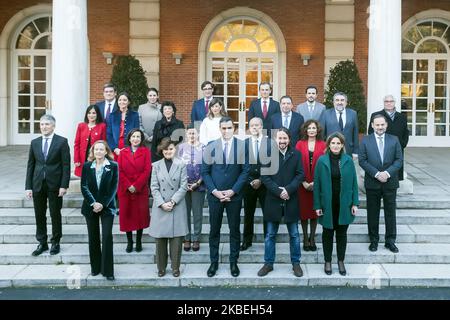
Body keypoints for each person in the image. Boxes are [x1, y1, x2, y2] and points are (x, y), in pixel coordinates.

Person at [201, 116, 250, 277]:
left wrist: (233, 191)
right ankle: (213, 262)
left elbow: (245, 171)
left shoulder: (242, 146)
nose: (226, 131)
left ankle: (233, 262)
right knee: (214, 230)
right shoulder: (210, 146)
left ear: (234, 128)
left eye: (229, 128)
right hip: (215, 196)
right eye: (224, 128)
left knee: (234, 230)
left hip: (234, 197)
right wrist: (214, 191)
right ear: (220, 129)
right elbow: (205, 172)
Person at [257, 128, 304, 277]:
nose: (282, 141)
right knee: (270, 234)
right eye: (280, 138)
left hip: (291, 198)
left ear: (289, 139)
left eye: (285, 138)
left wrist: (288, 190)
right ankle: (268, 264)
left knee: (295, 234)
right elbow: (264, 177)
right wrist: (279, 191)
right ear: (275, 140)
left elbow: (300, 174)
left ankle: (296, 263)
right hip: (273, 199)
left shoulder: (296, 154)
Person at [313, 132, 359, 276]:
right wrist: (317, 205)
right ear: (328, 145)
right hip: (327, 203)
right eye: (333, 143)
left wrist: (355, 203)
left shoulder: (348, 160)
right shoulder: (321, 161)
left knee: (341, 234)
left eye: (338, 143)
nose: (335, 145)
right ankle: (327, 261)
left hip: (344, 203)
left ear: (342, 145)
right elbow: (317, 185)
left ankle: (340, 261)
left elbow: (354, 183)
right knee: (327, 233)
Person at [25, 114, 71, 256]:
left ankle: (55, 242)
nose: (44, 127)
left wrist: (64, 185)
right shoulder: (35, 142)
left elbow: (66, 165)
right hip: (38, 184)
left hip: (55, 185)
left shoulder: (62, 142)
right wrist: (28, 187)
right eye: (42, 124)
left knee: (55, 214)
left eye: (47, 124)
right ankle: (42, 243)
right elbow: (30, 166)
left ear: (53, 126)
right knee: (39, 215)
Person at [359, 114, 403, 253]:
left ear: (386, 125)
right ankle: (374, 240)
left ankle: (390, 241)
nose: (380, 127)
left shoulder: (394, 140)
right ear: (372, 125)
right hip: (373, 182)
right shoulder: (365, 141)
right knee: (373, 213)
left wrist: (387, 173)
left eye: (382, 124)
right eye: (377, 125)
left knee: (390, 213)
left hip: (390, 182)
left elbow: (398, 160)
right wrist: (377, 174)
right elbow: (362, 160)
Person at [148, 138, 188, 277]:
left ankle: (175, 267)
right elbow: (154, 187)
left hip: (176, 206)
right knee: (160, 241)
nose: (168, 151)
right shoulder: (156, 166)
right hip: (160, 206)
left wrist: (172, 201)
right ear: (161, 151)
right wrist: (162, 203)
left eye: (171, 149)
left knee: (177, 240)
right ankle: (161, 267)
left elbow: (184, 186)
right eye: (166, 149)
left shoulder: (182, 165)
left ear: (174, 149)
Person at [80, 140, 118, 281]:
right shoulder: (87, 166)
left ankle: (108, 271)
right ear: (93, 151)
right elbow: (83, 186)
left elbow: (114, 187)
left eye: (101, 149)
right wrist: (93, 203)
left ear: (106, 151)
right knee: (93, 237)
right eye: (96, 149)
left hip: (107, 207)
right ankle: (95, 268)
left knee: (107, 237)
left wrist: (102, 203)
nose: (99, 152)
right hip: (90, 207)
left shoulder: (113, 166)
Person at [118, 129, 151, 253]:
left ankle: (138, 241)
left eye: (138, 136)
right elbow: (119, 171)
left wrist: (136, 185)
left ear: (141, 139)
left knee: (139, 216)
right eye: (133, 136)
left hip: (140, 189)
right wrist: (128, 185)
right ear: (129, 138)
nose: (135, 139)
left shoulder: (146, 152)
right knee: (127, 216)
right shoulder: (123, 152)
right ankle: (129, 242)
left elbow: (147, 170)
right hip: (125, 189)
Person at [295, 120, 326, 252]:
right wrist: (303, 182)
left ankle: (312, 239)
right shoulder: (299, 144)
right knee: (303, 213)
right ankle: (305, 238)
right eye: (309, 128)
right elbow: (295, 164)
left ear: (317, 130)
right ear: (305, 130)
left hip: (317, 184)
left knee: (314, 212)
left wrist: (315, 183)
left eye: (314, 128)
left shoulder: (323, 144)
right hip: (302, 184)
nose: (312, 130)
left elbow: (325, 166)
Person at [241, 117, 268, 251]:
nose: (255, 127)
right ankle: (247, 240)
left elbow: (272, 164)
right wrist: (249, 181)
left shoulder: (269, 143)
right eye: (252, 125)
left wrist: (262, 180)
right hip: (248, 184)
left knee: (267, 213)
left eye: (257, 125)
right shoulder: (244, 144)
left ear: (261, 126)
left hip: (265, 184)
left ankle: (267, 240)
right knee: (248, 213)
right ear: (249, 128)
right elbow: (240, 166)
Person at [177, 124, 206, 252]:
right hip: (184, 186)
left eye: (194, 133)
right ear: (186, 134)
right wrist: (184, 184)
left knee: (197, 213)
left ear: (198, 134)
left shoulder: (204, 148)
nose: (192, 135)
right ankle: (187, 238)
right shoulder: (181, 148)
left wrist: (198, 183)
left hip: (199, 186)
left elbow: (206, 168)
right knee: (185, 213)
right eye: (189, 133)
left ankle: (196, 238)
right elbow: (177, 166)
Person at [368, 94, 409, 180]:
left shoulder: (402, 117)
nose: (389, 103)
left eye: (391, 101)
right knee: (381, 173)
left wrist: (403, 144)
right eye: (386, 101)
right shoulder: (376, 115)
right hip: (381, 148)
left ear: (395, 103)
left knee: (396, 173)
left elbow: (406, 132)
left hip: (397, 148)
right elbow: (370, 132)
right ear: (384, 103)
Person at [319, 92, 359, 159]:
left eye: (342, 100)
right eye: (337, 100)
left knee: (346, 168)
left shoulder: (353, 113)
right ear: (333, 102)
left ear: (346, 102)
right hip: (331, 149)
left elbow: (355, 133)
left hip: (348, 149)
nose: (340, 102)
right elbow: (322, 134)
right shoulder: (326, 114)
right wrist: (323, 149)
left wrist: (356, 151)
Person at [74, 105, 106, 177]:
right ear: (86, 114)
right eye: (89, 113)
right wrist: (76, 159)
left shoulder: (102, 126)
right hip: (82, 159)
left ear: (97, 114)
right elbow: (76, 144)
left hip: (96, 159)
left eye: (94, 113)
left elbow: (104, 144)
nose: (91, 115)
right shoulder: (81, 126)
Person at [106, 92, 140, 161]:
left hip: (130, 147)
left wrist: (129, 148)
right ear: (117, 101)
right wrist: (115, 148)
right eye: (120, 100)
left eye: (125, 100)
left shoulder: (134, 115)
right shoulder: (112, 115)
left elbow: (137, 132)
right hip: (115, 148)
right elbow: (109, 134)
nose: (122, 102)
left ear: (129, 102)